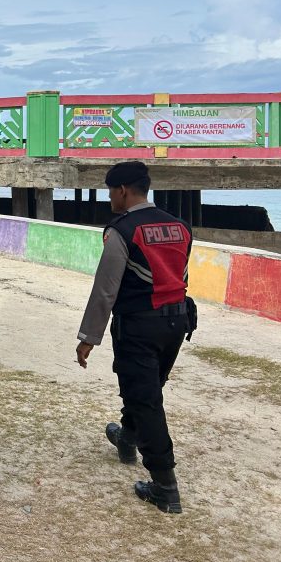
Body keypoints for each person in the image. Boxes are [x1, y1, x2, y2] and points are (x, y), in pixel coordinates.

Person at [75, 161, 195, 514]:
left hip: (138, 325)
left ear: (123, 191)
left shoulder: (121, 230)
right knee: (145, 386)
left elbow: (105, 290)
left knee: (145, 400)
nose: (110, 197)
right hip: (177, 323)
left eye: (111, 191)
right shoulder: (180, 226)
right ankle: (127, 438)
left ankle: (165, 487)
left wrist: (88, 337)